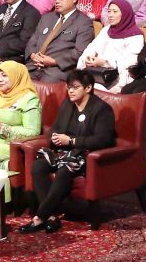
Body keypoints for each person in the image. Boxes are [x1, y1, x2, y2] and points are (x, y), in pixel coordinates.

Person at [24, 70, 117, 233]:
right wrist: (54, 137)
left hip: (85, 154)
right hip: (63, 152)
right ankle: (52, 217)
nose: (70, 91)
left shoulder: (102, 109)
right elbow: (54, 128)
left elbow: (103, 140)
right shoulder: (67, 105)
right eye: (69, 87)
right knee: (38, 166)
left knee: (64, 170)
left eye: (75, 87)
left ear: (88, 88)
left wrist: (72, 141)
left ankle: (40, 217)